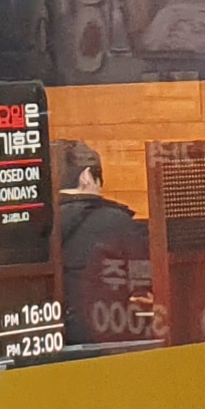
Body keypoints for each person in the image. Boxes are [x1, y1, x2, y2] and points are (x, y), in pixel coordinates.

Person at [53, 140, 152, 350]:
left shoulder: (33, 227)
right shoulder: (117, 223)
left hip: (48, 349)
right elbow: (147, 284)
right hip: (105, 347)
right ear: (86, 177)